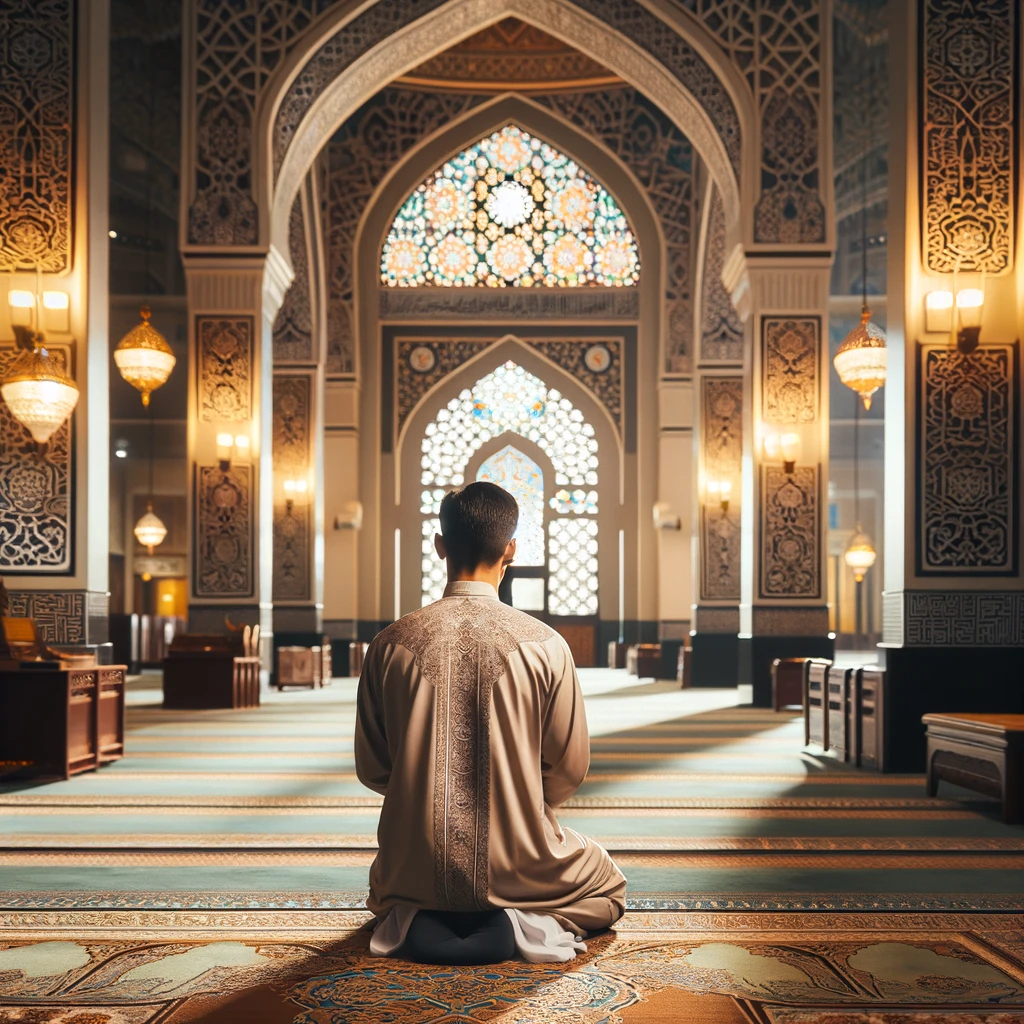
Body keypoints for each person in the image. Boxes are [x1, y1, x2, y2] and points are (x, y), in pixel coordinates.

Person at [355, 481, 625, 964]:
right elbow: (569, 769)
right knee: (608, 884)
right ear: (511, 550)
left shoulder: (389, 644)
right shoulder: (545, 645)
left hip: (411, 869)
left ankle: (414, 916)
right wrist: (520, 806)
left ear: (440, 545)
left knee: (395, 883)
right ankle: (522, 918)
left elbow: (374, 769)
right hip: (521, 861)